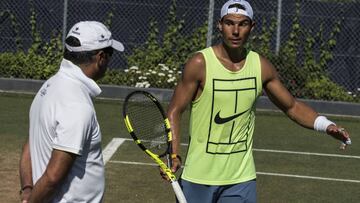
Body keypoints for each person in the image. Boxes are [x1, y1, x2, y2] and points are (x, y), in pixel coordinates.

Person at [165, 0, 352, 202]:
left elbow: (292, 106)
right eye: (229, 23)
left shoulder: (260, 66)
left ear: (252, 27)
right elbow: (174, 111)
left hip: (241, 179)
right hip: (198, 177)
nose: (235, 30)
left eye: (243, 24)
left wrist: (327, 125)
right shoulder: (200, 63)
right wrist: (173, 154)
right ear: (220, 25)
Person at [19, 21, 124, 203]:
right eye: (110, 54)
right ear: (101, 57)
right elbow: (53, 177)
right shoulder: (77, 104)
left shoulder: (49, 86)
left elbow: (29, 145)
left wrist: (28, 189)